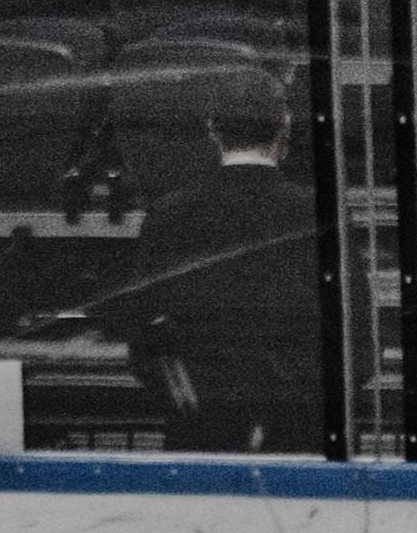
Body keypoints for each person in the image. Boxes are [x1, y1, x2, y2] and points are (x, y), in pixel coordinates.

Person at [122, 65, 324, 453]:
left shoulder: (169, 215)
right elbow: (358, 335)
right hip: (296, 429)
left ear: (212, 128)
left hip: (200, 426)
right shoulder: (316, 212)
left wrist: (193, 401)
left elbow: (145, 338)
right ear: (285, 124)